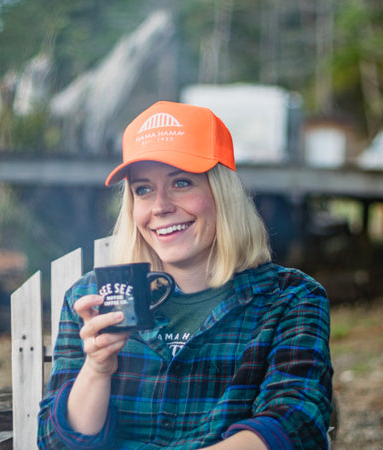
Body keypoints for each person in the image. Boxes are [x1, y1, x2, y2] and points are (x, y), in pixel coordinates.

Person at [38, 101, 333, 449]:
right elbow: (56, 442)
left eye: (181, 182)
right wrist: (98, 368)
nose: (160, 206)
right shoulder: (91, 298)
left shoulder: (290, 299)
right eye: (143, 189)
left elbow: (297, 421)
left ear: (223, 193)